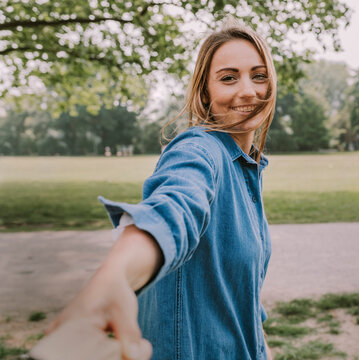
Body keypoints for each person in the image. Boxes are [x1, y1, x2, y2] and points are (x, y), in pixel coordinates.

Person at [46, 19, 277, 360]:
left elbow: (242, 298)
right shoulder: (198, 149)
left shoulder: (244, 166)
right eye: (229, 77)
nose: (248, 90)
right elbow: (172, 209)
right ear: (205, 93)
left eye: (258, 76)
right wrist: (115, 276)